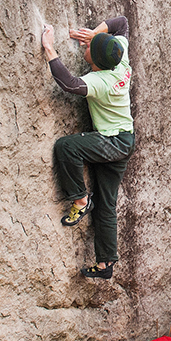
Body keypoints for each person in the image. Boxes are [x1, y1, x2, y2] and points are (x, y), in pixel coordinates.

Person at [41, 16, 135, 280]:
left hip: (112, 141)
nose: (85, 48)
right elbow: (122, 23)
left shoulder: (101, 82)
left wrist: (50, 49)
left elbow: (69, 83)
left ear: (94, 62)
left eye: (88, 48)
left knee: (67, 147)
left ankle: (80, 200)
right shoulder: (121, 58)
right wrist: (94, 34)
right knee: (107, 205)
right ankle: (106, 264)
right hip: (125, 138)